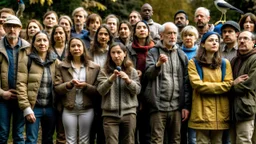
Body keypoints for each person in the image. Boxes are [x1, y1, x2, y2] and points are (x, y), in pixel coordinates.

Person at [144, 22, 190, 144]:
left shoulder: (181, 54)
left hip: (176, 107)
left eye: (174, 33)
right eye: (169, 33)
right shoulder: (153, 52)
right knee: (157, 140)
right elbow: (148, 75)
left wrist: (185, 106)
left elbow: (186, 82)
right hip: (158, 106)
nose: (172, 36)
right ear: (161, 35)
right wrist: (158, 64)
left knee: (176, 140)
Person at [188, 31, 233, 143]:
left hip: (220, 113)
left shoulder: (224, 63)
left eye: (217, 41)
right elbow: (197, 85)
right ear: (203, 44)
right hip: (201, 112)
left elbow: (228, 85)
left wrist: (207, 86)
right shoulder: (194, 63)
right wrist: (220, 86)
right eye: (211, 40)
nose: (214, 43)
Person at [54, 37, 100, 144]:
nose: (76, 48)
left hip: (87, 108)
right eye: (73, 46)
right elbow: (57, 88)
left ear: (83, 48)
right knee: (70, 140)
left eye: (79, 46)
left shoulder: (95, 67)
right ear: (69, 49)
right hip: (69, 109)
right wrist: (69, 84)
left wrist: (85, 86)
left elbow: (98, 90)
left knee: (85, 140)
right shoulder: (62, 66)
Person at [16, 31, 58, 144]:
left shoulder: (55, 61)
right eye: (38, 40)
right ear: (33, 43)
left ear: (49, 43)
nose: (42, 43)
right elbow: (21, 84)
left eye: (45, 40)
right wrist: (26, 108)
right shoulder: (27, 59)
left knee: (48, 139)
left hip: (50, 108)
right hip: (34, 107)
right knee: (31, 140)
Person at [97, 42, 141, 144]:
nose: (116, 55)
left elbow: (137, 90)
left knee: (129, 141)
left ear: (125, 53)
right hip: (109, 115)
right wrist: (111, 79)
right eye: (113, 53)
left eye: (119, 52)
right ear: (110, 55)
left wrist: (128, 81)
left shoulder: (132, 71)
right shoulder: (104, 71)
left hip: (129, 114)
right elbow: (100, 91)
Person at [0, 15, 29, 144]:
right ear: (4, 28)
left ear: (20, 28)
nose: (12, 29)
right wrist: (2, 93)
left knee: (18, 134)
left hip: (21, 97)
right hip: (2, 98)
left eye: (15, 26)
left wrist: (25, 95)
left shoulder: (28, 48)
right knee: (2, 133)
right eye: (9, 26)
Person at [127, 20, 154, 144]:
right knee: (132, 130)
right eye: (139, 28)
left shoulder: (155, 48)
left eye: (144, 27)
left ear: (148, 31)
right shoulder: (128, 48)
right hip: (132, 91)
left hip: (150, 91)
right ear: (135, 32)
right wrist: (133, 71)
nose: (142, 29)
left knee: (147, 130)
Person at [229, 30, 256, 144]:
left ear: (253, 42)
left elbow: (248, 85)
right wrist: (232, 84)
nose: (242, 41)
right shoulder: (235, 60)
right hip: (232, 109)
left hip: (246, 108)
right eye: (239, 38)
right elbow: (227, 81)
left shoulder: (254, 59)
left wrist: (231, 86)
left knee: (243, 141)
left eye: (245, 39)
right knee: (233, 141)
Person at [89, 24, 113, 144]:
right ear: (96, 36)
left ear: (109, 37)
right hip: (93, 90)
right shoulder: (90, 52)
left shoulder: (113, 51)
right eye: (100, 34)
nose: (103, 36)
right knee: (92, 126)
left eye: (106, 34)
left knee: (104, 128)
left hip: (108, 91)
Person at [180, 25, 199, 144]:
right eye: (185, 35)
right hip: (181, 93)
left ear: (196, 38)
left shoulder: (200, 53)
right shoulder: (177, 51)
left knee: (193, 134)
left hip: (195, 92)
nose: (188, 38)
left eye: (191, 35)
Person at [50, 25, 68, 144]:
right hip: (51, 89)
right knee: (50, 129)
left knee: (63, 130)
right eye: (56, 33)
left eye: (61, 33)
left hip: (66, 91)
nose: (58, 35)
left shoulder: (71, 49)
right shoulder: (49, 49)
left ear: (66, 35)